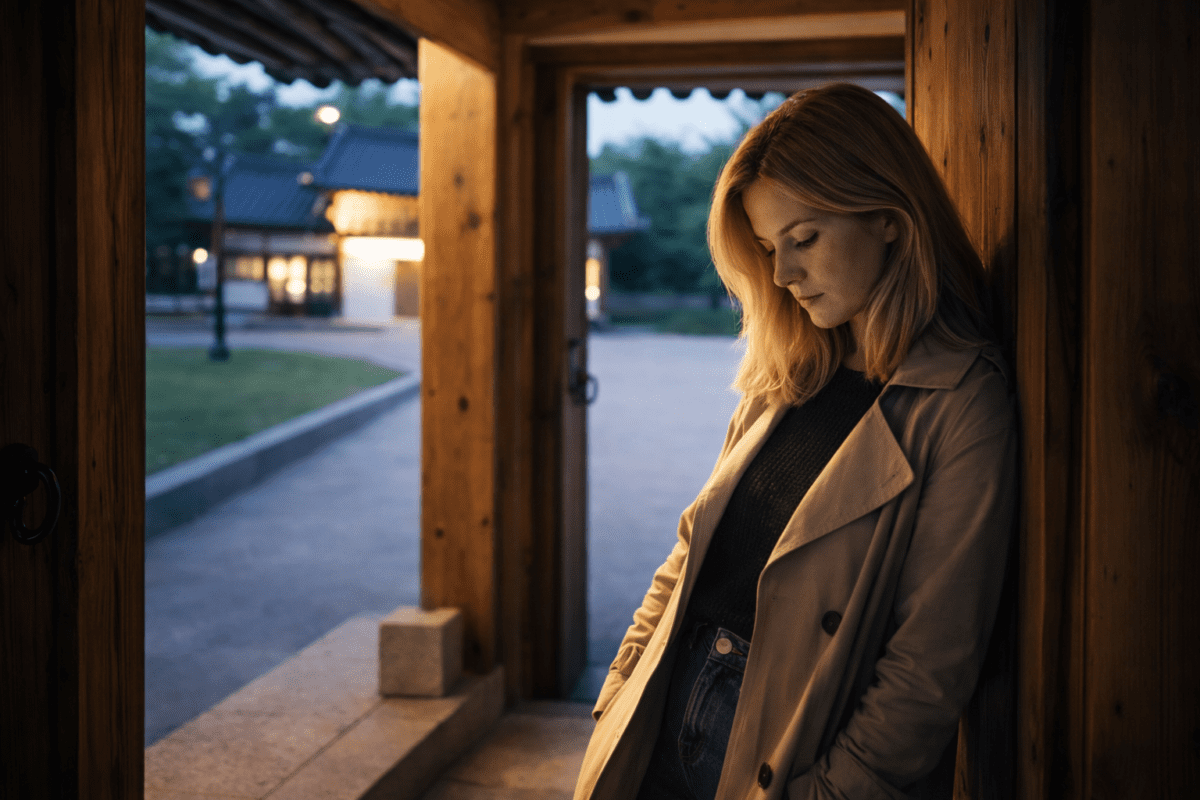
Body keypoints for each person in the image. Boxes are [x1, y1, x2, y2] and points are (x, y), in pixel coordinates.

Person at [573, 83, 1018, 800]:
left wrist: (831, 792)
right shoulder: (789, 372)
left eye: (803, 238)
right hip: (661, 702)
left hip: (784, 750)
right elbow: (692, 549)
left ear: (889, 218)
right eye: (768, 248)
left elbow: (930, 665)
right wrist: (622, 684)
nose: (782, 274)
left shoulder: (961, 402)